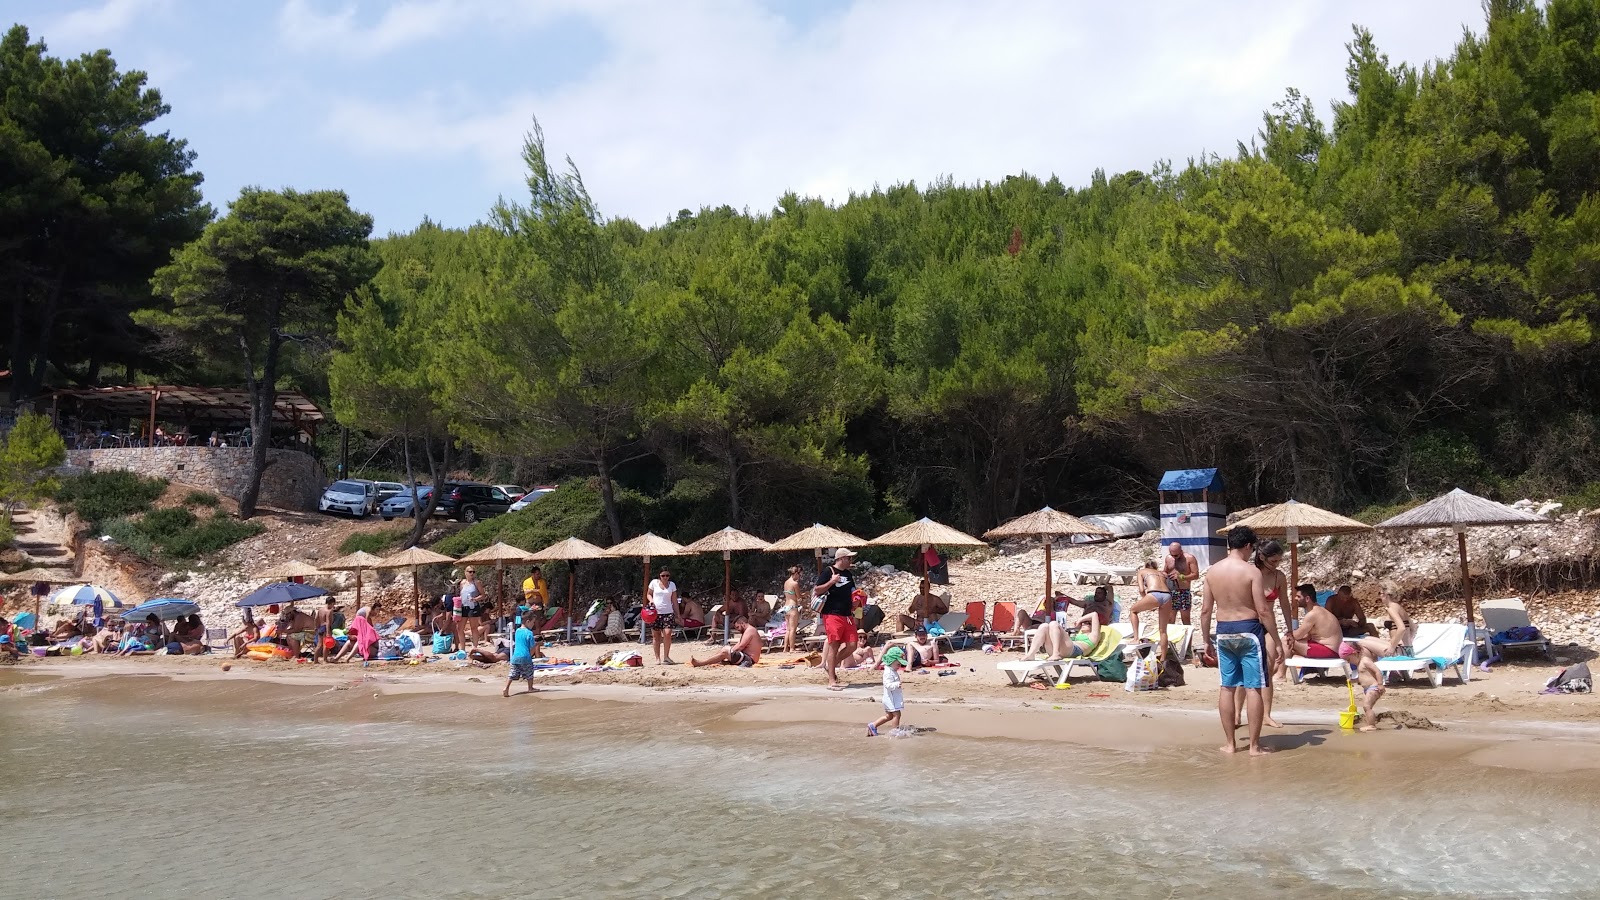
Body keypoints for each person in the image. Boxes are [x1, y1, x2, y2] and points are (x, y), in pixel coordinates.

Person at [1199, 525, 1282, 757]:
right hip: (1249, 631)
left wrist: (1206, 640)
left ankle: (1230, 744)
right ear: (1247, 546)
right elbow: (1263, 610)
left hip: (1223, 632)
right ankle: (1254, 747)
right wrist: (1276, 639)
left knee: (1227, 687)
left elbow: (1205, 611)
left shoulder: (1212, 572)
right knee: (1253, 687)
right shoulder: (1250, 572)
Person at [1250, 540, 1293, 729]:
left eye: (1279, 561)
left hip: (1269, 626)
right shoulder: (1251, 573)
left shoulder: (1279, 577)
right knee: (1247, 671)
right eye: (1273, 561)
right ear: (1262, 557)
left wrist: (1290, 629)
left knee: (1267, 669)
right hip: (1250, 624)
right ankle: (1236, 713)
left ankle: (1266, 715)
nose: (1277, 565)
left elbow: (1284, 603)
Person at [814, 547, 859, 691]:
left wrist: (857, 600)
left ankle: (830, 665)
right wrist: (831, 582)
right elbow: (817, 590)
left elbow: (852, 590)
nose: (850, 560)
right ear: (841, 559)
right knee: (834, 644)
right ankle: (832, 680)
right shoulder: (828, 571)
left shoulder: (848, 574)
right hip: (832, 613)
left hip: (847, 613)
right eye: (848, 558)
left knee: (852, 644)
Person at [1354, 581, 1414, 661]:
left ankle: (1372, 668)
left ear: (1386, 594)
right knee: (1367, 639)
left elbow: (1402, 628)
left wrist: (1392, 648)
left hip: (1398, 651)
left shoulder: (1391, 609)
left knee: (1361, 643)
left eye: (1380, 593)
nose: (1380, 596)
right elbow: (1414, 627)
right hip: (1408, 650)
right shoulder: (1399, 607)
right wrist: (1408, 643)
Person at [1128, 557, 1173, 661]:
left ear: (1145, 566)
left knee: (1133, 610)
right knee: (1163, 630)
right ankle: (1163, 658)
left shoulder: (1142, 571)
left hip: (1153, 593)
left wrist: (1146, 600)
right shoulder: (1162, 573)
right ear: (1156, 566)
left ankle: (1135, 638)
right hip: (1167, 595)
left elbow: (1141, 589)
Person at [1287, 583, 1344, 662]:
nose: (1295, 598)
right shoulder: (1320, 611)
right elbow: (1307, 636)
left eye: (1298, 596)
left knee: (1286, 640)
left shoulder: (1312, 614)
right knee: (1291, 647)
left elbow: (1297, 636)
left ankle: (1280, 672)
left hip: (1329, 650)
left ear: (1307, 599)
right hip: (1334, 649)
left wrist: (1289, 633)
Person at [1022, 611, 1100, 661]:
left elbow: (1094, 614)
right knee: (1044, 626)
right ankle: (1031, 654)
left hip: (1074, 651)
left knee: (1053, 624)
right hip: (1063, 649)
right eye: (1083, 623)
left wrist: (1080, 619)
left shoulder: (1093, 636)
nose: (1084, 624)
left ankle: (1056, 653)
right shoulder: (1079, 633)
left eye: (1088, 623)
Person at [691, 617, 764, 667]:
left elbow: (741, 646)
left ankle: (701, 663)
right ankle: (708, 660)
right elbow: (738, 645)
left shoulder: (750, 630)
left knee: (725, 651)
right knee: (725, 650)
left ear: (742, 623)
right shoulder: (747, 631)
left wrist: (728, 652)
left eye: (738, 627)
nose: (738, 630)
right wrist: (727, 651)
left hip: (749, 659)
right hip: (745, 657)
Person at [868, 646, 908, 736]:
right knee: (897, 715)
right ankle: (895, 732)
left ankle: (873, 725)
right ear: (891, 661)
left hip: (890, 698)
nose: (899, 666)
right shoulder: (888, 672)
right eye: (898, 664)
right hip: (891, 699)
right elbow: (887, 685)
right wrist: (897, 684)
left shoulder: (892, 670)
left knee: (889, 716)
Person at [647, 569, 680, 666]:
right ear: (659, 576)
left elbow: (674, 600)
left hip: (668, 612)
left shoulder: (672, 585)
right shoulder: (654, 583)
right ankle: (657, 658)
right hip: (656, 613)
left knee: (668, 633)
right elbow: (648, 594)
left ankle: (666, 656)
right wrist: (651, 600)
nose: (665, 577)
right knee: (656, 635)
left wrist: (678, 614)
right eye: (663, 575)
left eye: (667, 575)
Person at [503, 614, 540, 697]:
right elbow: (532, 647)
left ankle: (506, 688)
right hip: (525, 656)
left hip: (515, 656)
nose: (533, 624)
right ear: (528, 622)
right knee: (529, 672)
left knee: (512, 673)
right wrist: (530, 655)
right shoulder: (529, 633)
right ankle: (530, 688)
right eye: (533, 622)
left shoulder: (517, 631)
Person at [1164, 541, 1199, 626]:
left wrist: (1182, 577)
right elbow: (1165, 571)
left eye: (1176, 555)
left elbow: (1196, 575)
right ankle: (1170, 638)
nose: (1174, 557)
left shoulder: (1190, 558)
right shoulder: (1168, 558)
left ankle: (1188, 639)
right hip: (1171, 591)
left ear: (1181, 551)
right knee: (1170, 619)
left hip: (1184, 591)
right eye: (1172, 555)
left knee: (1185, 619)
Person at [1355, 655, 1386, 732]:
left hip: (1374, 687)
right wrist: (1353, 680)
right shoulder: (1359, 663)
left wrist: (1380, 684)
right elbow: (1364, 676)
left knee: (1367, 706)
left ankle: (1372, 726)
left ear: (1355, 653)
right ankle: (1369, 723)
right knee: (1368, 708)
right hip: (1368, 689)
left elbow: (1377, 671)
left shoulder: (1365, 660)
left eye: (1348, 659)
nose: (1348, 662)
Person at [457, 567, 484, 651]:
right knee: (460, 628)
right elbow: (461, 594)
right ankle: (462, 648)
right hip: (463, 606)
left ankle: (475, 647)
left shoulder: (477, 582)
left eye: (473, 572)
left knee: (474, 627)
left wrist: (475, 599)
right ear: (465, 572)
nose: (472, 573)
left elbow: (483, 595)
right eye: (470, 571)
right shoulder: (462, 583)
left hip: (473, 606)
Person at [781, 566, 803, 653]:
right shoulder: (795, 584)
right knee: (793, 629)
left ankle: (785, 648)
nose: (800, 577)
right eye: (799, 575)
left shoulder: (786, 582)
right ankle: (792, 648)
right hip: (793, 606)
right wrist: (804, 595)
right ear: (796, 573)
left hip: (786, 606)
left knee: (788, 629)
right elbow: (798, 596)